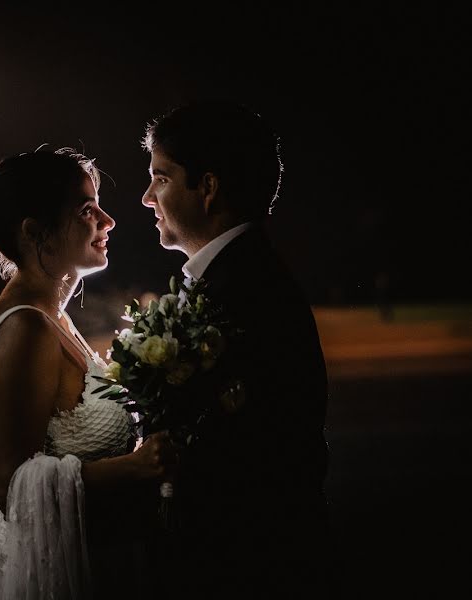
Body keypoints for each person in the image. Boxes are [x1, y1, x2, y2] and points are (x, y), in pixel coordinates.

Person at [0, 147, 174, 599]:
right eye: (86, 209)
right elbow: (13, 486)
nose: (107, 220)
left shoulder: (53, 316)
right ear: (35, 233)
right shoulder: (25, 327)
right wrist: (135, 467)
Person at [140, 101, 333, 598]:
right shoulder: (229, 279)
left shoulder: (245, 293)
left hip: (242, 566)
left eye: (161, 179)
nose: (147, 197)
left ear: (207, 187)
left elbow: (260, 459)